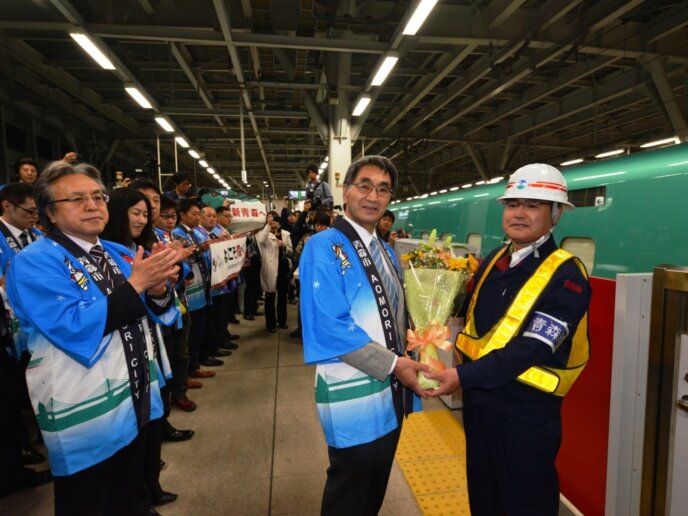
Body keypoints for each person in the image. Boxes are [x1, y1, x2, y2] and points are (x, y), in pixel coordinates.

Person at [6, 161, 180, 515]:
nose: (93, 205)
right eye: (77, 199)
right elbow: (71, 325)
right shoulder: (34, 261)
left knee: (129, 495)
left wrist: (158, 288)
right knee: (89, 501)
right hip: (85, 407)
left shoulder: (115, 253)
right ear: (50, 213)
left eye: (98, 197)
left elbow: (153, 313)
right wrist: (138, 285)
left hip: (132, 398)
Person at [426, 163, 591, 516]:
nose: (518, 213)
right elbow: (470, 319)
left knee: (525, 502)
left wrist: (461, 377)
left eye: (533, 205)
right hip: (480, 406)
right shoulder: (496, 259)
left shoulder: (567, 275)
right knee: (485, 498)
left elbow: (532, 347)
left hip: (526, 415)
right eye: (512, 204)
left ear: (556, 214)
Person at [299, 155, 429, 515]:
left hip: (391, 392)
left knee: (374, 489)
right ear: (345, 190)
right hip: (352, 391)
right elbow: (329, 326)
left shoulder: (385, 250)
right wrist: (394, 364)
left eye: (383, 189)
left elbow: (396, 313)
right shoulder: (322, 247)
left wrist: (420, 341)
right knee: (350, 491)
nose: (373, 196)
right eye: (365, 185)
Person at [100, 188, 179, 510]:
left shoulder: (138, 250)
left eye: (146, 213)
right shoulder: (105, 254)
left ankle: (149, 489)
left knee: (150, 421)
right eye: (135, 211)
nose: (142, 218)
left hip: (145, 347)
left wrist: (160, 285)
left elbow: (160, 305)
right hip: (115, 359)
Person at [256, 211, 292, 333]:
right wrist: (268, 226)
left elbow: (291, 251)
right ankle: (270, 324)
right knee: (270, 296)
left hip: (283, 267)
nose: (274, 223)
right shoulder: (263, 233)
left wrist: (284, 246)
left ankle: (282, 321)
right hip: (270, 268)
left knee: (282, 296)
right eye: (271, 221)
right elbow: (260, 240)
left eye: (275, 220)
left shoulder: (286, 234)